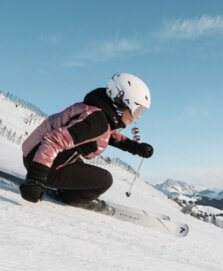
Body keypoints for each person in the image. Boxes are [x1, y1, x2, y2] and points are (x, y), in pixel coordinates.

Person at [19, 73, 154, 206]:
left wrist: (135, 147)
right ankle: (69, 197)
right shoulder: (96, 121)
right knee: (104, 180)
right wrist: (35, 180)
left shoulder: (99, 113)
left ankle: (62, 186)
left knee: (83, 168)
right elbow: (54, 141)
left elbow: (108, 135)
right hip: (40, 165)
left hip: (34, 155)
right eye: (137, 111)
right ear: (122, 102)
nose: (137, 117)